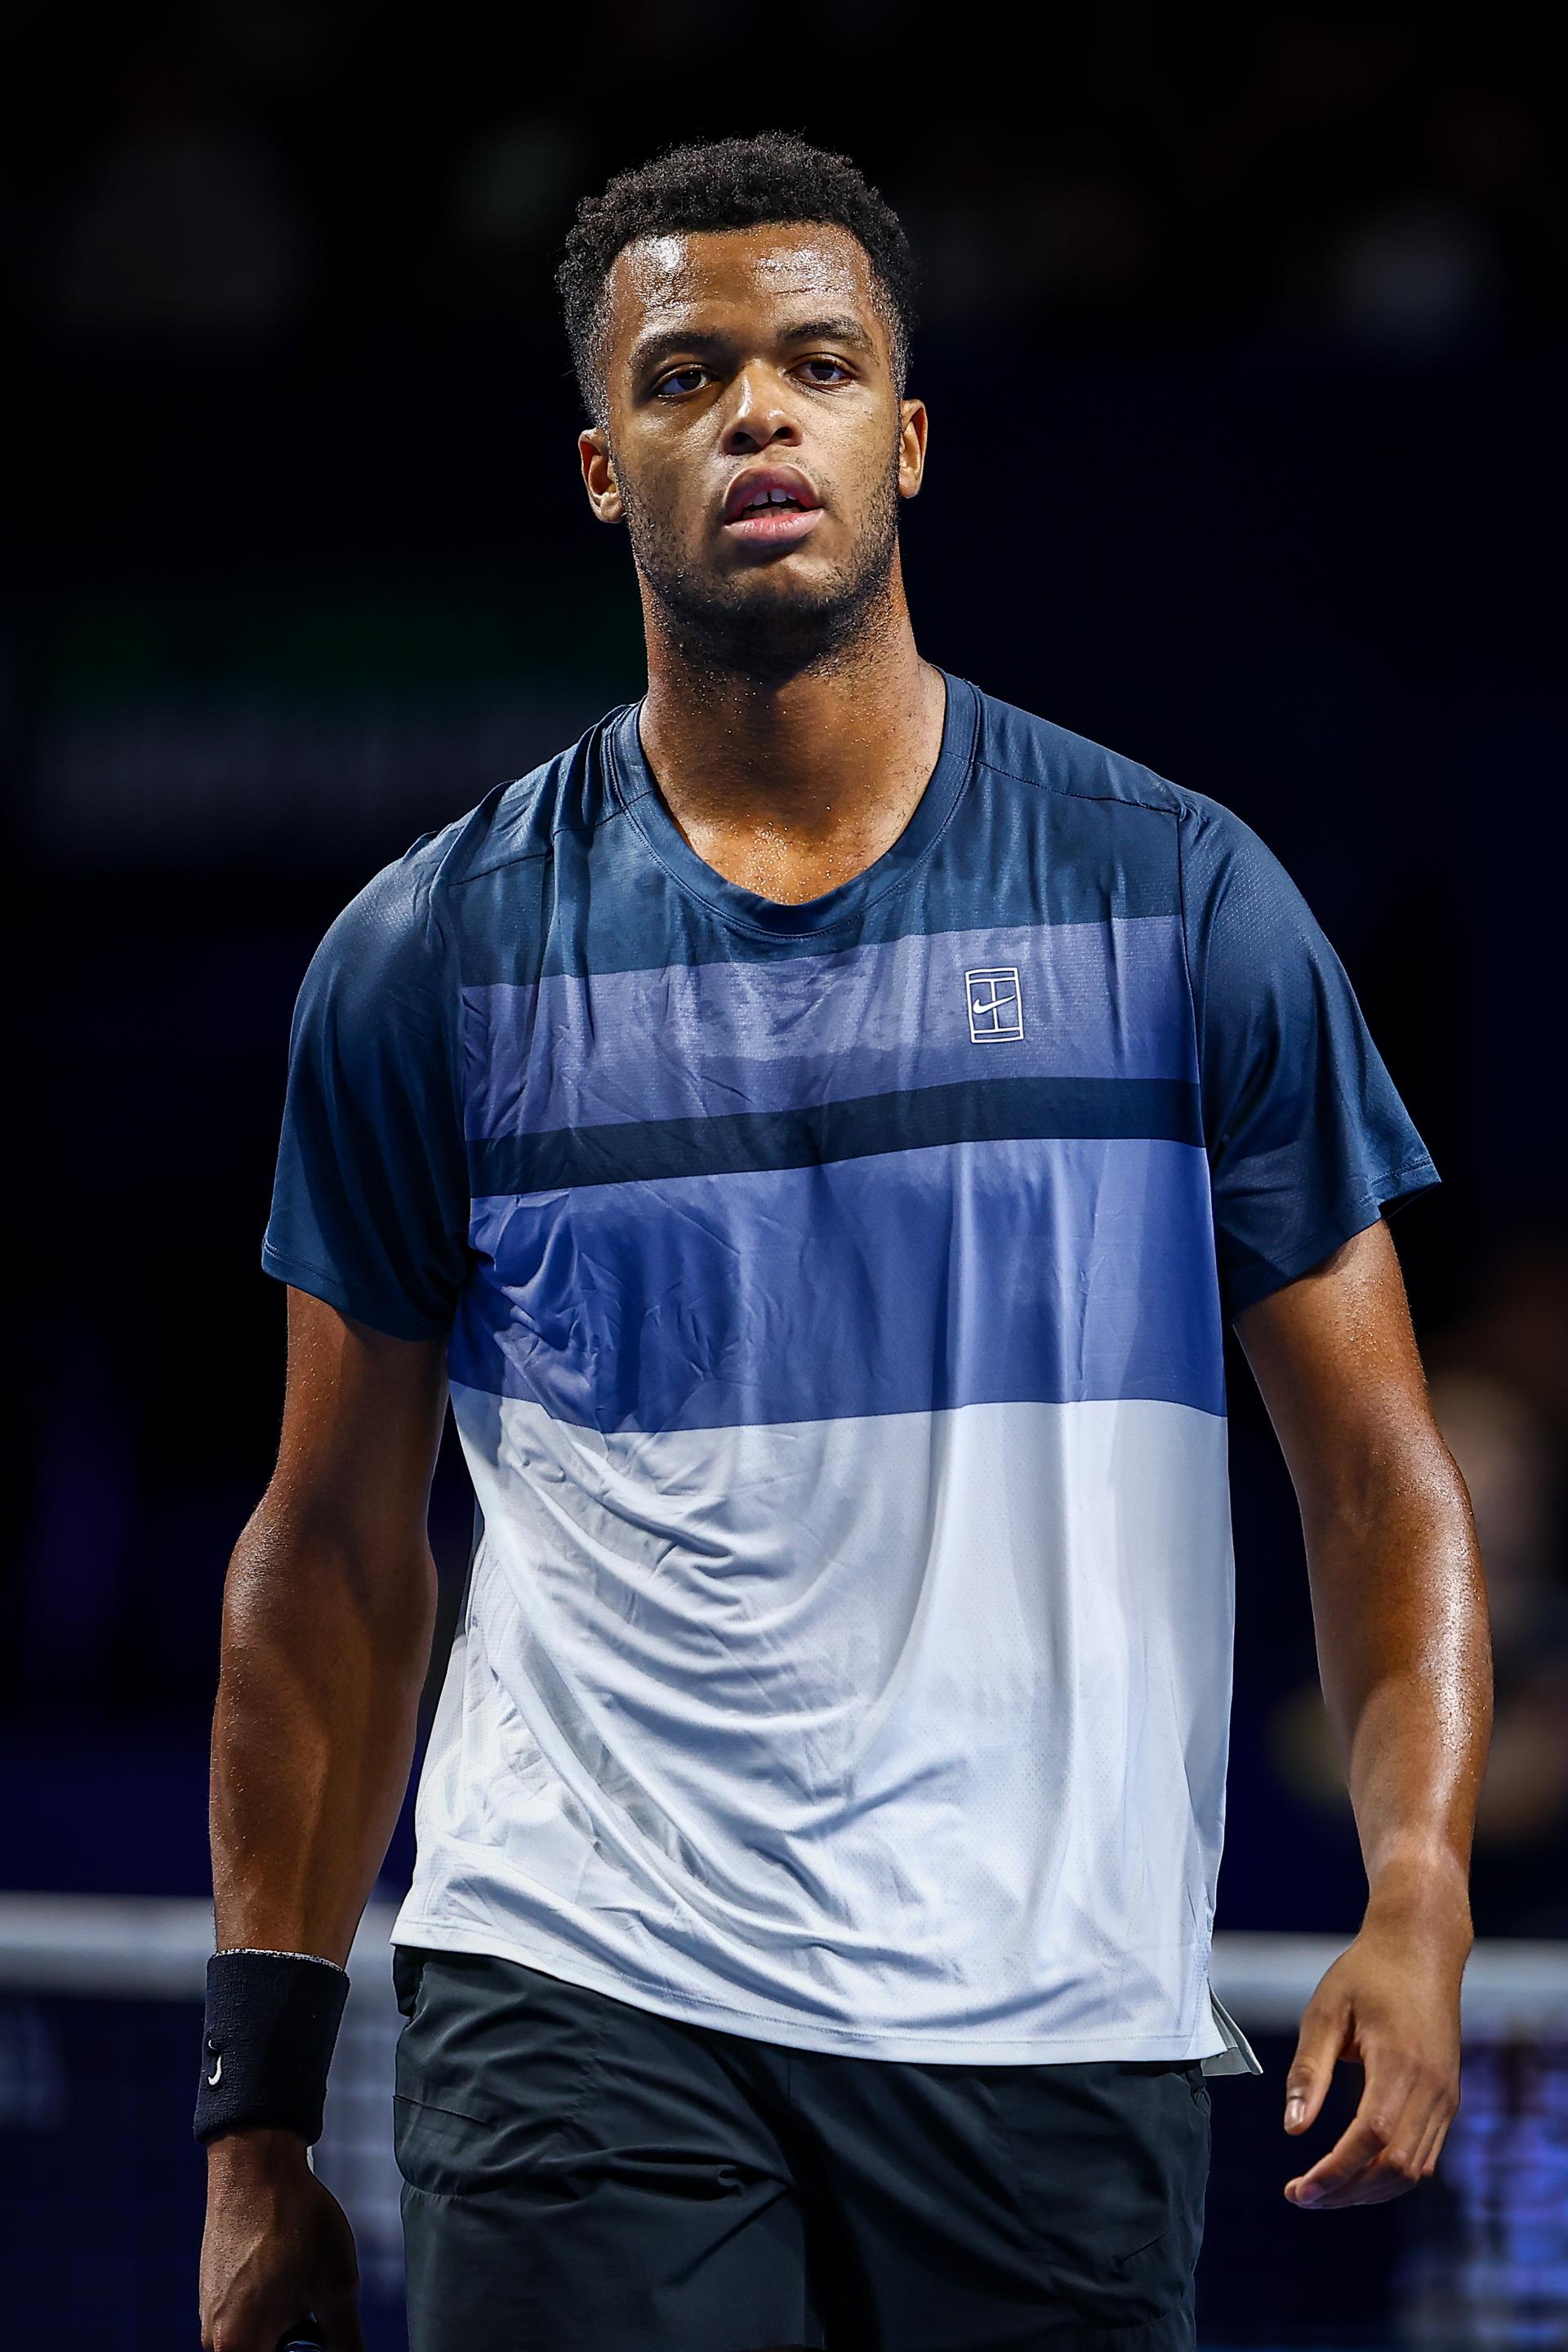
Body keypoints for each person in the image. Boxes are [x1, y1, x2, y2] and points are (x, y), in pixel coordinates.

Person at [195, 133, 1492, 2352]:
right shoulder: (427, 961)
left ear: (904, 442)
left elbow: (1375, 1474)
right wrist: (256, 2127)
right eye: (688, 378)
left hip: (1045, 2023)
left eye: (815, 364)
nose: (757, 415)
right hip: (579, 1988)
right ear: (609, 470)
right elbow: (330, 1555)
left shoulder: (1180, 907)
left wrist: (1422, 1887)